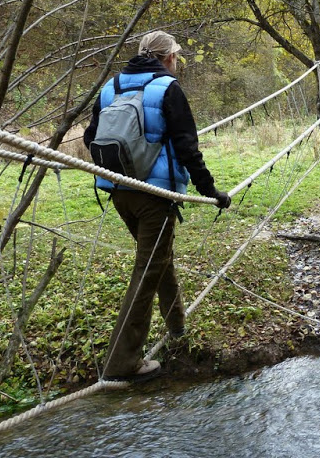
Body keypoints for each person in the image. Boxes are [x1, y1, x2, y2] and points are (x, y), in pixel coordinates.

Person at [84, 30, 231, 382]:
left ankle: (176, 324)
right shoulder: (168, 88)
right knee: (147, 269)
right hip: (156, 197)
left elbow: (91, 138)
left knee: (157, 257)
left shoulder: (110, 88)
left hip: (119, 192)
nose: (176, 61)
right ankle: (122, 363)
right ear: (168, 57)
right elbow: (187, 148)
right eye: (176, 56)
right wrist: (211, 191)